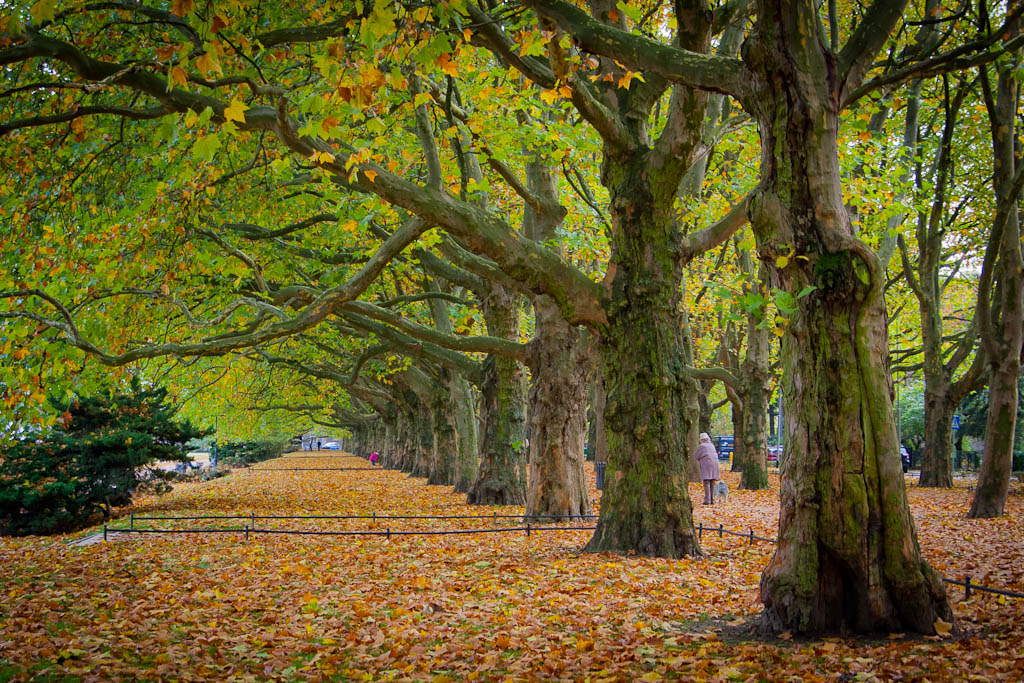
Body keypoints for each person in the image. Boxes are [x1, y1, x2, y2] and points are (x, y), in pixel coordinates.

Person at [694, 433, 720, 505]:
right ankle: (712, 499)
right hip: (715, 464)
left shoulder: (702, 446)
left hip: (707, 465)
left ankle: (707, 500)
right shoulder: (712, 445)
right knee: (712, 482)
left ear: (701, 440)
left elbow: (696, 456)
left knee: (706, 481)